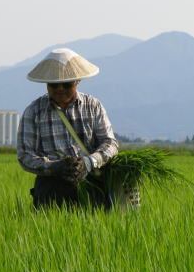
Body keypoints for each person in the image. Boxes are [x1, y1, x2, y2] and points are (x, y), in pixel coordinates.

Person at [17, 48, 122, 209]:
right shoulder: (34, 111)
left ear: (77, 81)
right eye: (54, 85)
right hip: (51, 188)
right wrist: (53, 166)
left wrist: (89, 162)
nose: (60, 89)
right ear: (47, 84)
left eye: (66, 84)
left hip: (92, 184)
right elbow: (25, 155)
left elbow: (110, 143)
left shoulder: (93, 106)